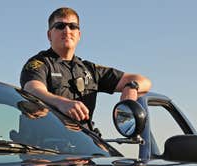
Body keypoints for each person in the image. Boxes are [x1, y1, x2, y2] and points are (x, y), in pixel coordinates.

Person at [20, 7, 152, 123]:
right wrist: (62, 103)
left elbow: (145, 81)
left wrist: (131, 87)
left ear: (79, 35)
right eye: (60, 26)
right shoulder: (39, 64)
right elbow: (33, 89)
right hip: (47, 147)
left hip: (83, 145)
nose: (67, 30)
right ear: (49, 35)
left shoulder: (90, 70)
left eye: (73, 26)